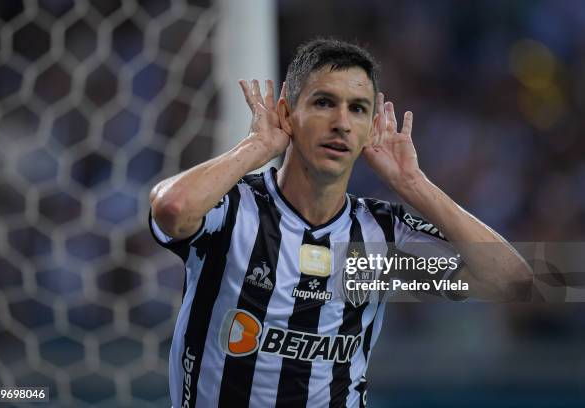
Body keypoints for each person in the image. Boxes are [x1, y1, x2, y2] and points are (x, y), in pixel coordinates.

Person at [149, 38, 532, 408]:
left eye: (358, 109)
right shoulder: (235, 210)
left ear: (369, 129)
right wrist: (256, 148)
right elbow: (172, 209)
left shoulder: (381, 238)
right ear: (286, 114)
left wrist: (413, 185)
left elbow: (511, 281)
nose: (341, 123)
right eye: (323, 103)